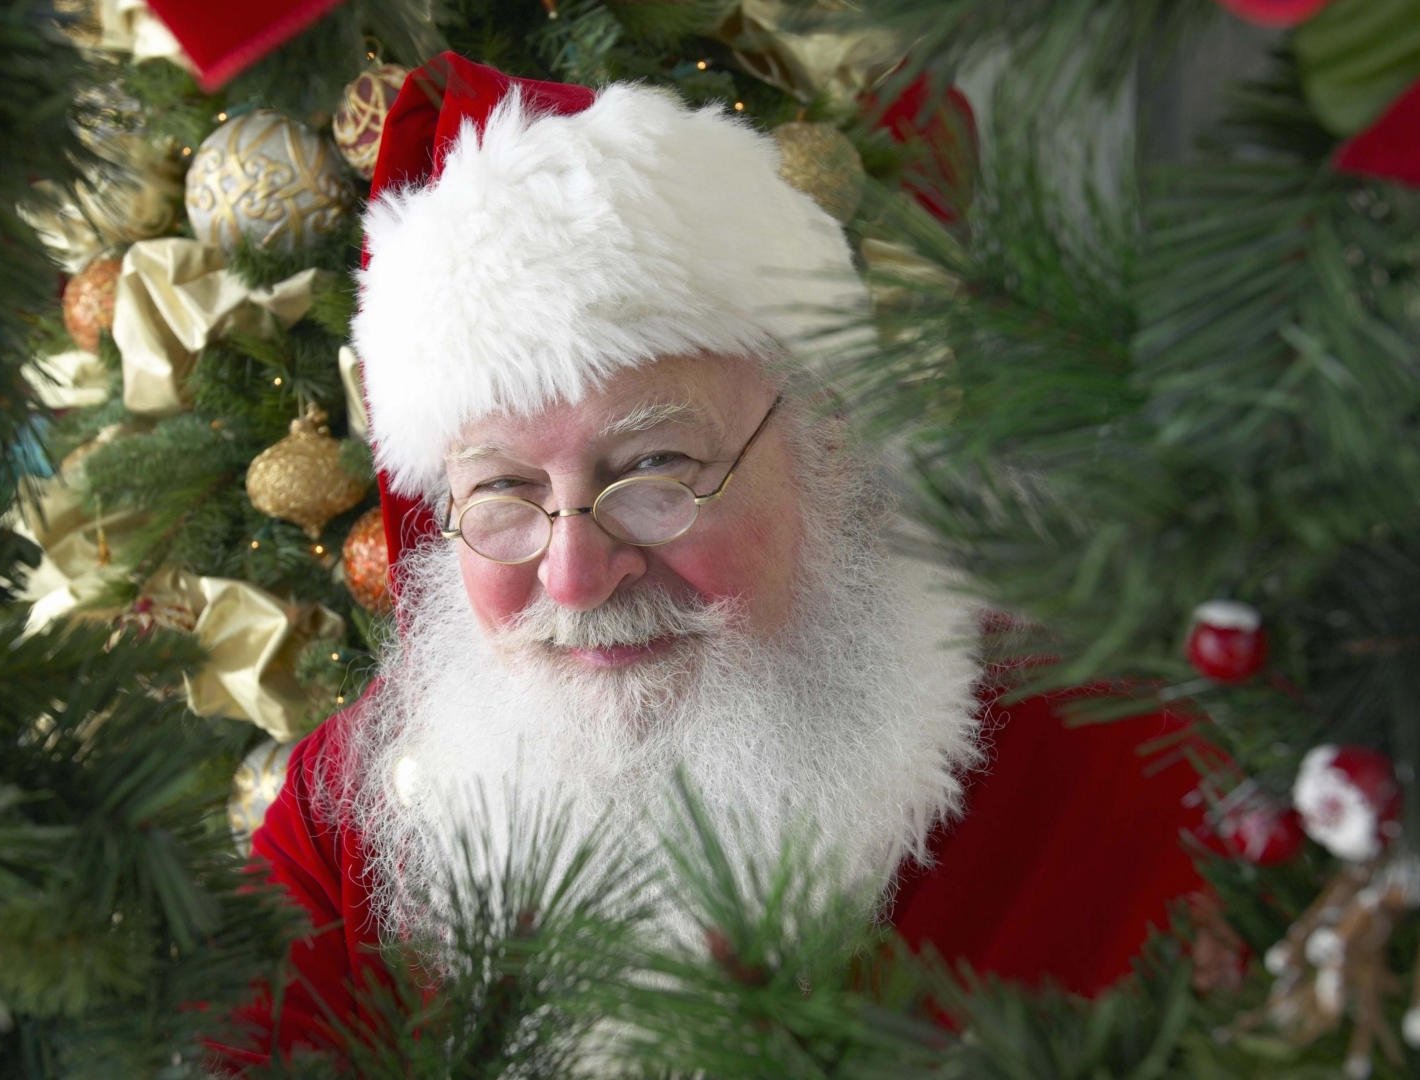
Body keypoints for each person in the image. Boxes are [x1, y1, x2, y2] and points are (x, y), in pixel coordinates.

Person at [213, 53, 1209, 1068]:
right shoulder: (344, 816)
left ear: (830, 448)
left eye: (653, 469)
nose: (572, 575)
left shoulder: (1125, 775)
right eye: (503, 493)